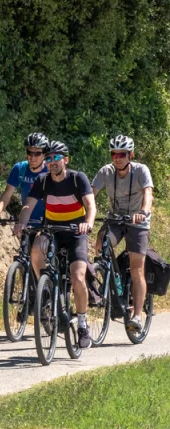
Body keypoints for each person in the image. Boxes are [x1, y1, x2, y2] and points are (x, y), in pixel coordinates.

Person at [15, 141, 96, 349]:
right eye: (48, 159)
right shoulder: (42, 181)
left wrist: (88, 223)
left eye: (56, 158)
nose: (51, 162)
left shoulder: (78, 178)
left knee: (78, 276)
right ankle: (48, 290)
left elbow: (90, 205)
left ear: (65, 160)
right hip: (52, 230)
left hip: (76, 232)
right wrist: (22, 222)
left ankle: (82, 325)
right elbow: (28, 205)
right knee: (36, 249)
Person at [92, 135, 153, 332]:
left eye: (122, 154)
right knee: (102, 241)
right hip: (115, 219)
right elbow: (90, 195)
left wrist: (143, 213)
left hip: (138, 223)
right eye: (114, 154)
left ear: (130, 155)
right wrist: (85, 215)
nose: (117, 158)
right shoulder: (106, 172)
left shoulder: (141, 170)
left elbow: (148, 194)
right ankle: (109, 275)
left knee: (137, 268)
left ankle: (136, 315)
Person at [0, 132, 50, 227]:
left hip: (49, 223)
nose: (32, 157)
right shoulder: (20, 169)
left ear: (44, 154)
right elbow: (7, 195)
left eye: (37, 153)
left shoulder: (51, 170)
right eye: (29, 152)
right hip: (26, 222)